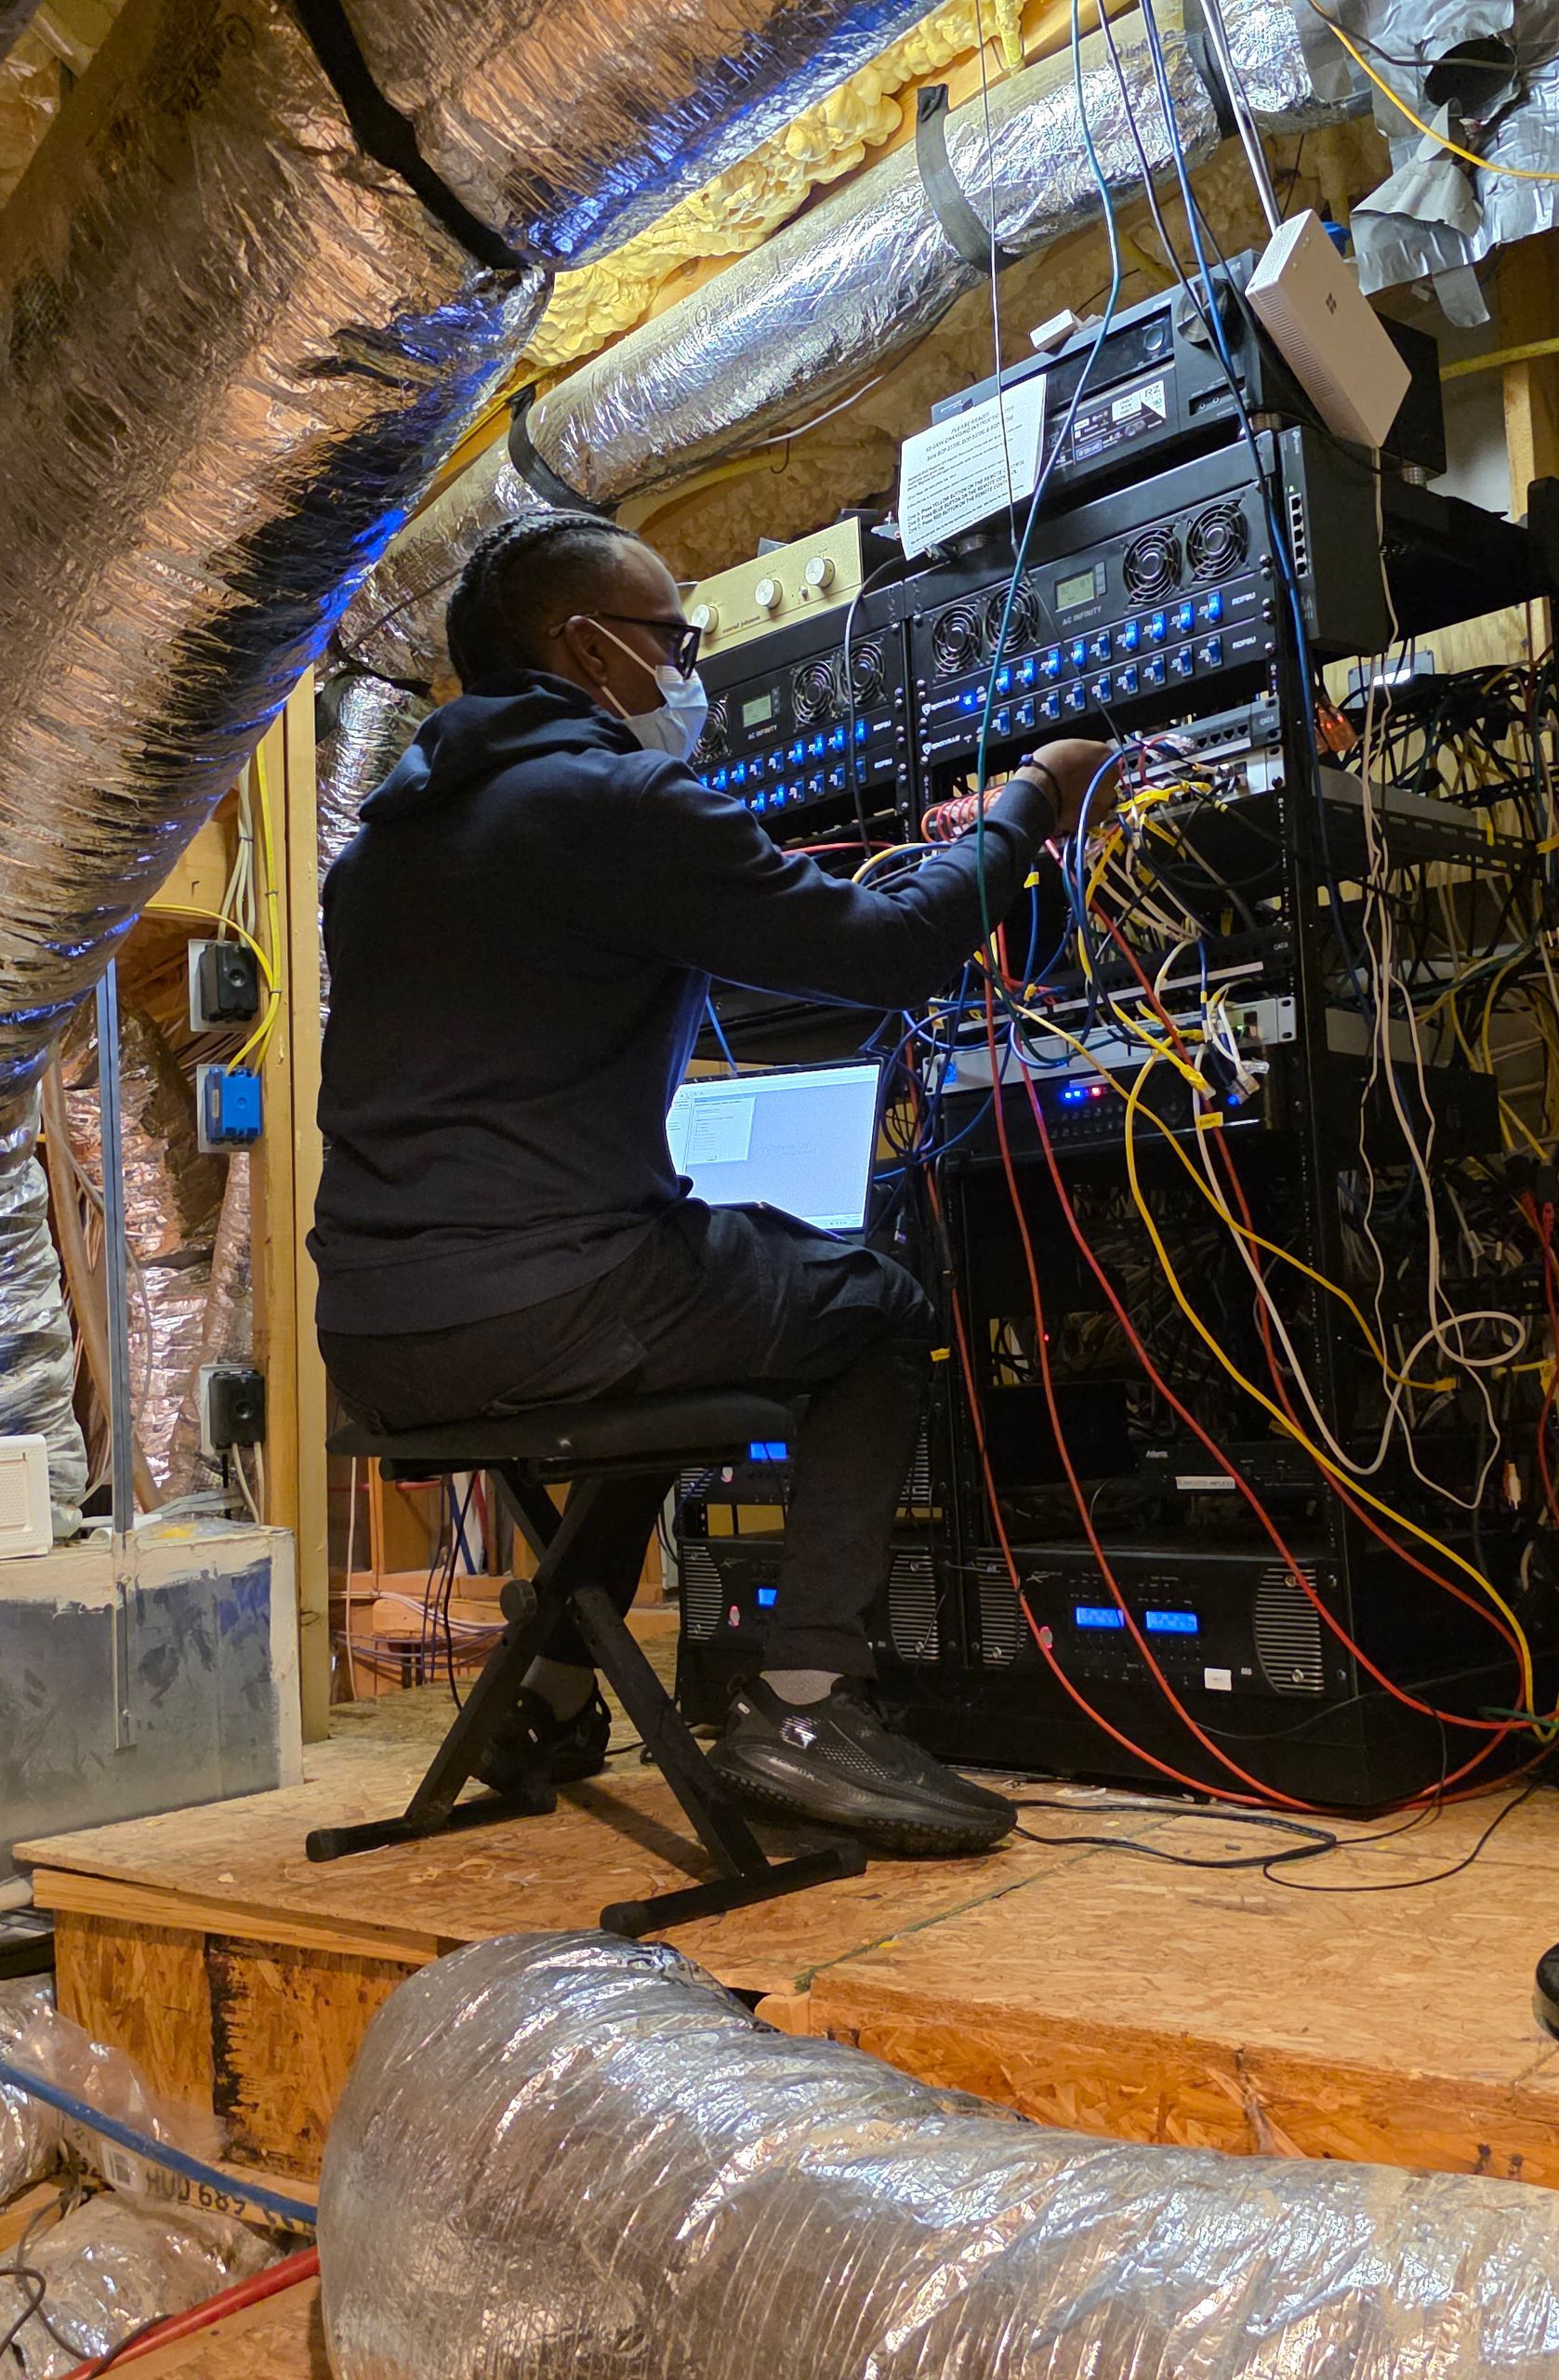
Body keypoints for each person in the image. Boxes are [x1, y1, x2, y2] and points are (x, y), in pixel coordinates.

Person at [312, 511, 1114, 1857]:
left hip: (382, 1343)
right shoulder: (613, 804)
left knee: (672, 1340)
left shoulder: (381, 853)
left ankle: (551, 1701)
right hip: (553, 1302)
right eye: (670, 640)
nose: (686, 670)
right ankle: (806, 1702)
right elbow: (896, 949)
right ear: (585, 648)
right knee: (872, 1306)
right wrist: (1032, 800)